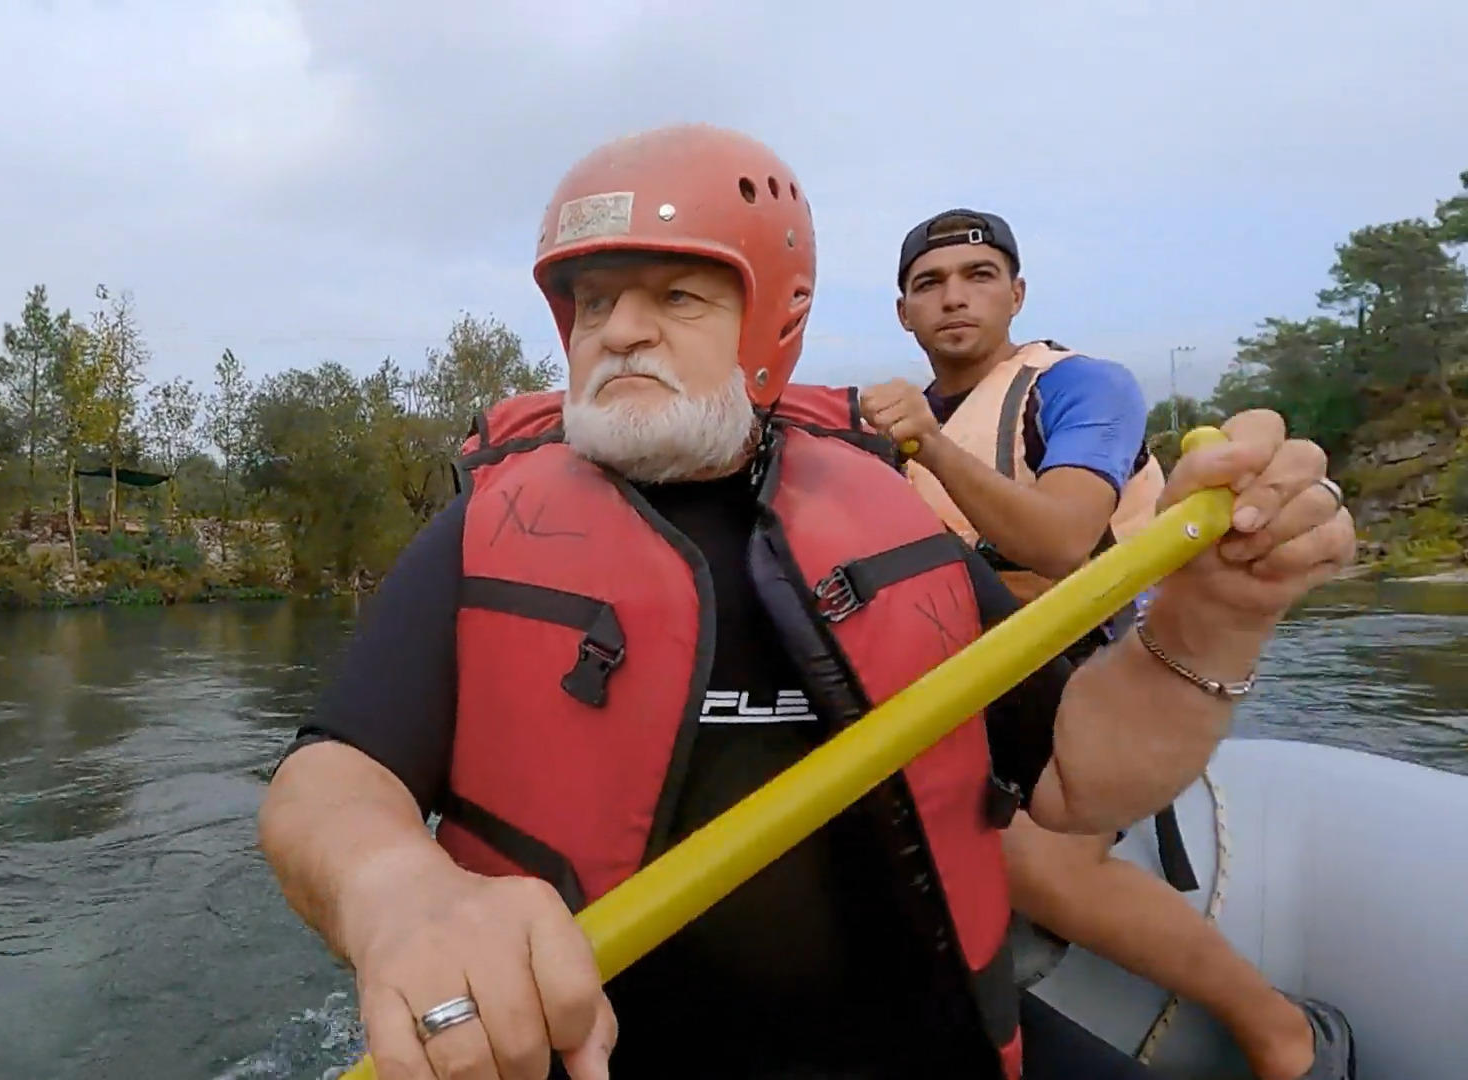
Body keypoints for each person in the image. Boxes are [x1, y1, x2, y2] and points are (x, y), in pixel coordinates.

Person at [256, 124, 1356, 1080]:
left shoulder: (883, 516)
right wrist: (398, 891)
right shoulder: (490, 531)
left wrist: (1211, 618)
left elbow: (1076, 776)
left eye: (675, 296)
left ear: (774, 319)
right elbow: (327, 782)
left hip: (927, 1050)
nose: (619, 330)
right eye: (592, 303)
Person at [859, 209, 1356, 1080]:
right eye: (930, 283)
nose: (954, 297)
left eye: (979, 276)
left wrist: (928, 445)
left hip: (1091, 678)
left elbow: (1060, 539)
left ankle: (1277, 1029)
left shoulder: (1085, 388)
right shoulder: (881, 428)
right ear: (903, 313)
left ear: (1017, 295)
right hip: (960, 685)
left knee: (1025, 857)